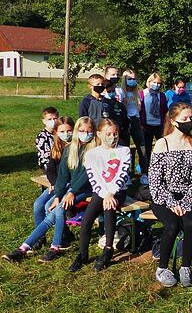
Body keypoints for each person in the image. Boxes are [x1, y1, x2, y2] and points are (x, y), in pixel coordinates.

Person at [3, 117, 96, 263]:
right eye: (82, 131)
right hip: (72, 188)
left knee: (59, 209)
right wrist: (58, 195)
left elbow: (86, 177)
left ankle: (55, 247)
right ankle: (23, 248)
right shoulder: (70, 149)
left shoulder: (94, 149)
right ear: (78, 131)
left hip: (88, 189)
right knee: (51, 208)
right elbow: (63, 175)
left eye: (89, 131)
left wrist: (72, 192)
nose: (86, 134)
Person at [148, 102, 192, 287]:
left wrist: (187, 201)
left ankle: (186, 266)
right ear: (173, 121)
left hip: (188, 195)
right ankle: (163, 267)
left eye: (191, 118)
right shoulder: (162, 144)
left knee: (190, 223)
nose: (189, 122)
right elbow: (155, 181)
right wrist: (172, 202)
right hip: (164, 196)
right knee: (172, 225)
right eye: (184, 119)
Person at [69, 119, 131, 272]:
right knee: (87, 220)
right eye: (108, 134)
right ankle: (82, 254)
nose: (112, 137)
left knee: (109, 209)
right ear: (99, 134)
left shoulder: (124, 151)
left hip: (118, 191)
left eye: (115, 133)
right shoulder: (92, 154)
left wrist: (111, 193)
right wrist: (105, 194)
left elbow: (122, 174)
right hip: (101, 191)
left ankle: (108, 250)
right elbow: (94, 177)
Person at [32, 116, 73, 253]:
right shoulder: (56, 147)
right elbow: (50, 169)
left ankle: (64, 235)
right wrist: (54, 183)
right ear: (56, 132)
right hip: (57, 184)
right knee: (38, 204)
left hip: (68, 185)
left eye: (69, 131)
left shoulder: (75, 147)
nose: (66, 134)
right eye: (62, 131)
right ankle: (40, 237)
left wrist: (60, 186)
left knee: (48, 206)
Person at [139, 72, 168, 168]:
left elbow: (165, 110)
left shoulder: (162, 95)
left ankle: (161, 167)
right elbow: (139, 110)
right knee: (146, 149)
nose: (156, 85)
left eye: (159, 83)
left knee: (162, 147)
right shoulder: (142, 93)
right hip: (146, 125)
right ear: (149, 82)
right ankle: (146, 169)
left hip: (159, 125)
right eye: (154, 82)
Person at [122, 69, 146, 171]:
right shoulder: (121, 92)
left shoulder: (137, 93)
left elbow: (139, 109)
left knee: (142, 146)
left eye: (134, 78)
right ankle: (125, 173)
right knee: (125, 147)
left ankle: (144, 171)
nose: (132, 80)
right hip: (125, 121)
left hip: (136, 120)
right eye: (129, 79)